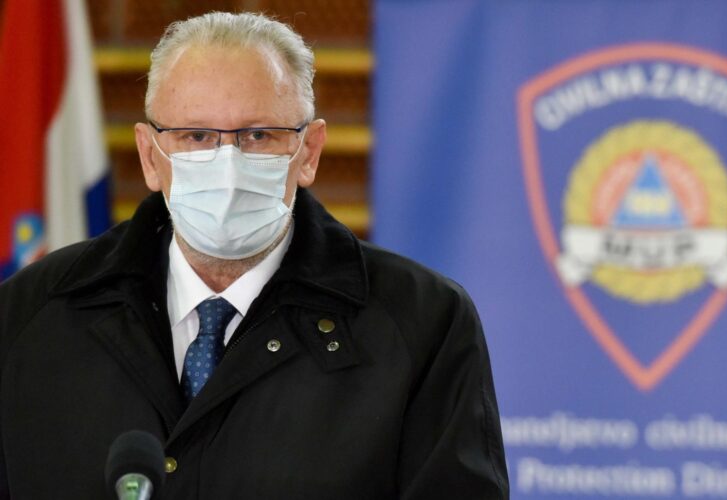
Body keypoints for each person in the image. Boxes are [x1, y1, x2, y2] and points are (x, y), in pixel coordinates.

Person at [0, 11, 508, 499]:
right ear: (150, 156)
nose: (227, 164)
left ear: (309, 152)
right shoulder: (29, 315)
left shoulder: (424, 325)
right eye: (197, 136)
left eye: (259, 135)